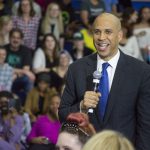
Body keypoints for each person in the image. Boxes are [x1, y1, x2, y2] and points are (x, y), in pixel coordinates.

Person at [59, 13, 150, 150]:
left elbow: (145, 124)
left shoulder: (140, 71)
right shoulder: (76, 69)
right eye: (97, 32)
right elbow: (62, 115)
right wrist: (82, 106)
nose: (101, 38)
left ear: (119, 36)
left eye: (108, 32)